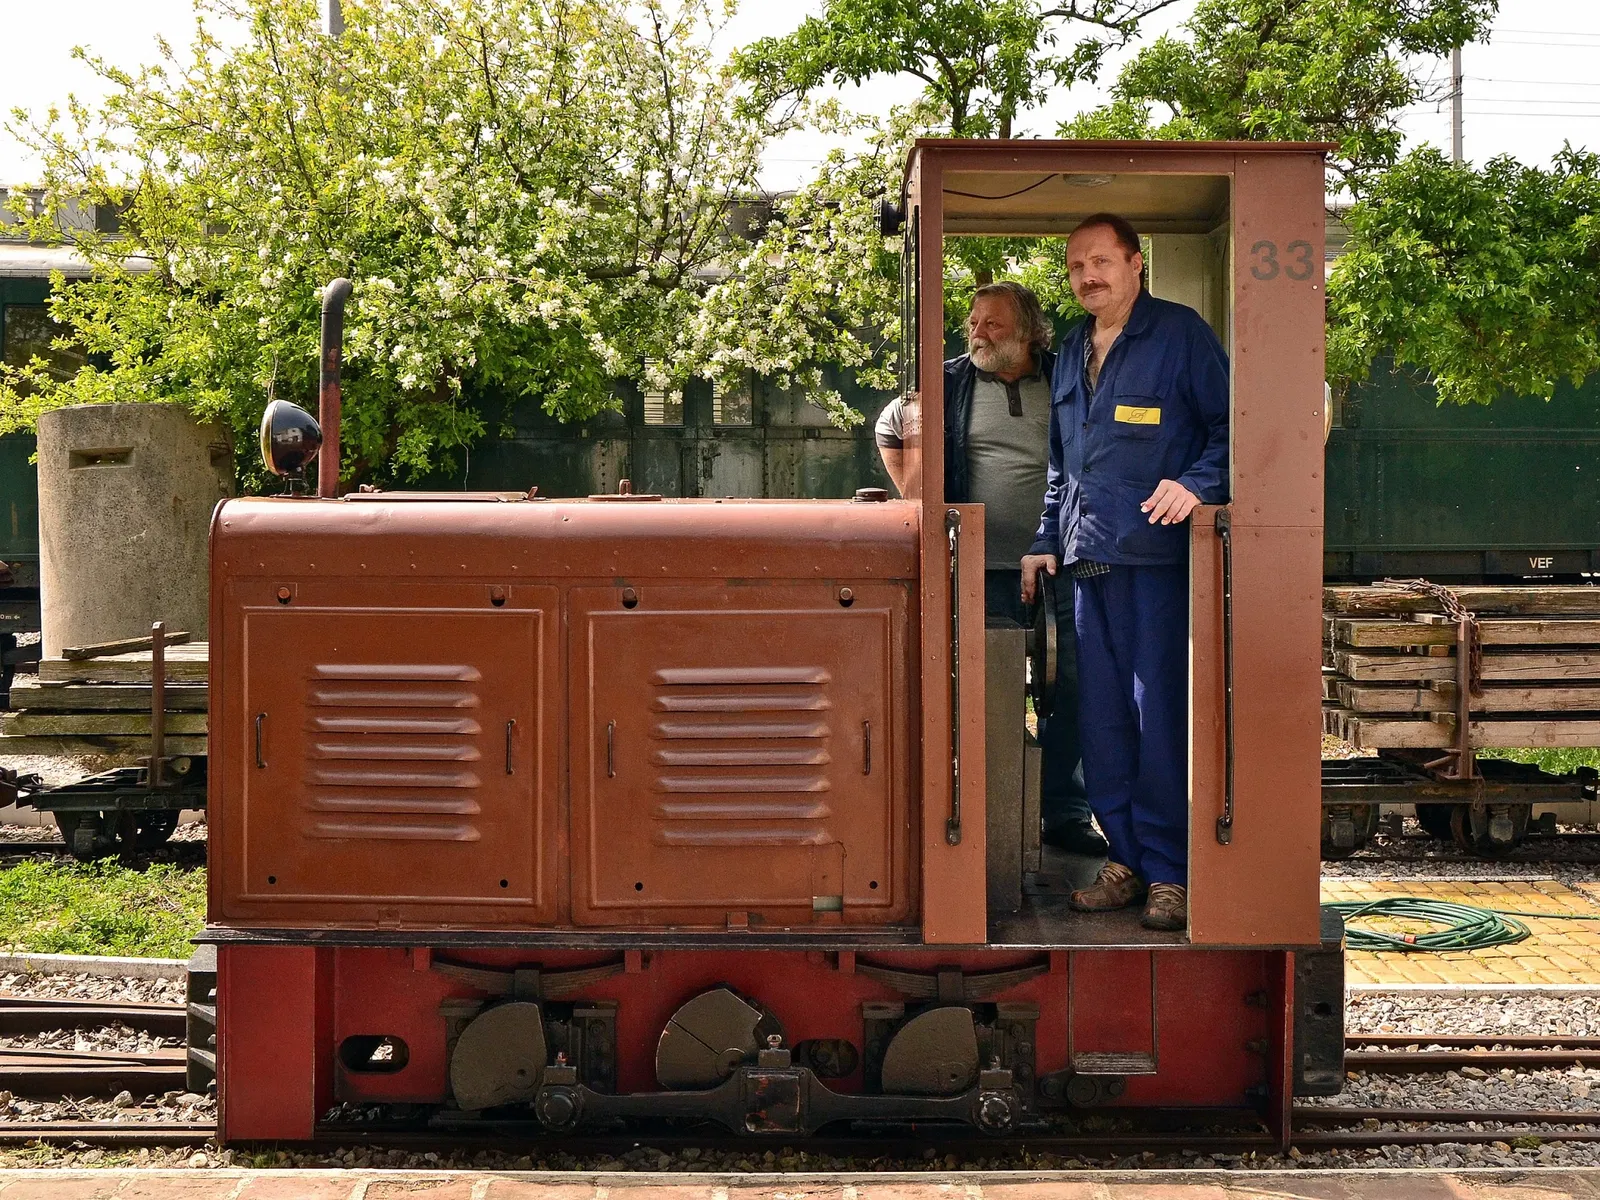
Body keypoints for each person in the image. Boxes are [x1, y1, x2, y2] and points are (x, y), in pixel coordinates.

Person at [1021, 213, 1229, 932]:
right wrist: (1046, 537)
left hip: (1155, 566)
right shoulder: (1074, 348)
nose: (1088, 276)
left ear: (1137, 264)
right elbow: (1062, 463)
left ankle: (1171, 872)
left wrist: (1198, 482)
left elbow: (1235, 426)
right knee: (1102, 721)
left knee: (1157, 719)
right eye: (1077, 265)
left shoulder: (1180, 335)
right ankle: (1127, 859)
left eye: (1102, 261)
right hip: (1086, 565)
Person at [876, 282, 1107, 858]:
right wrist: (914, 495)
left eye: (993, 325)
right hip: (981, 569)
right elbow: (890, 425)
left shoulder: (1070, 375)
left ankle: (1063, 811)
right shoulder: (949, 383)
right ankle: (996, 812)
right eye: (973, 323)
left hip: (1063, 561)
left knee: (1073, 686)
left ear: (1028, 331)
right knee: (993, 691)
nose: (977, 333)